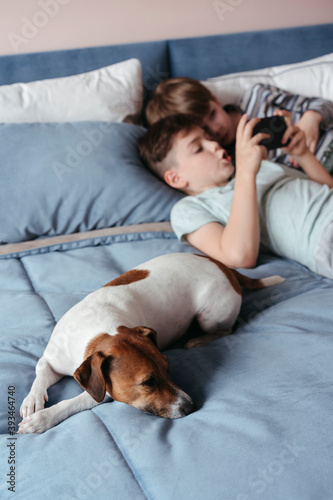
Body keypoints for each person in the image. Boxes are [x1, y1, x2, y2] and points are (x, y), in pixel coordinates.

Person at [138, 112, 333, 279]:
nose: (214, 145)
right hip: (324, 235)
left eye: (208, 138)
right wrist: (246, 173)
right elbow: (239, 256)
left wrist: (303, 154)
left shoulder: (263, 167)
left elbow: (326, 189)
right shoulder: (189, 208)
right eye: (198, 148)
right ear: (176, 178)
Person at [145, 77, 333, 173]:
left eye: (212, 115)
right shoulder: (226, 160)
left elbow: (324, 104)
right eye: (204, 131)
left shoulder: (258, 96)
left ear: (215, 100)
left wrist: (311, 118)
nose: (216, 129)